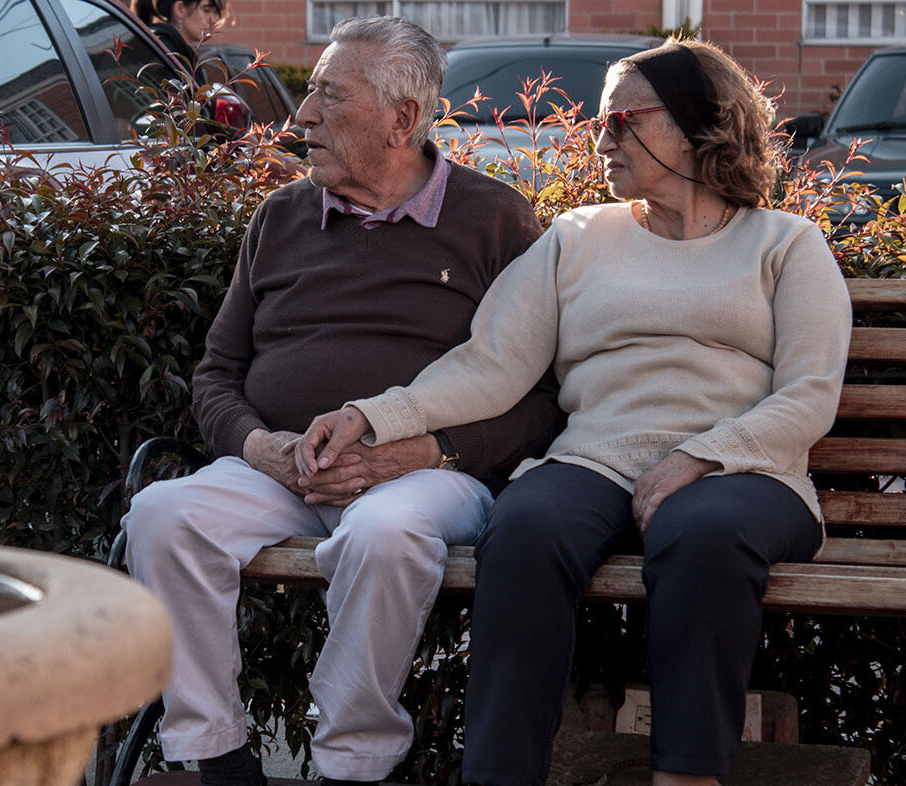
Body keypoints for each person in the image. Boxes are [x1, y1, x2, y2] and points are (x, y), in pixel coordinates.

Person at [294, 38, 852, 786]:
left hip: (742, 470)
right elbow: (490, 364)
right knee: (523, 528)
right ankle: (498, 774)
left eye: (624, 120)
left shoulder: (784, 244)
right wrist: (374, 414)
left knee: (704, 534)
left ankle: (685, 776)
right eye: (598, 121)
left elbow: (808, 392)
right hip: (595, 461)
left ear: (694, 124)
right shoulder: (578, 239)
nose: (601, 138)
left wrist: (703, 456)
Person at [121, 16, 563, 786]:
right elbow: (217, 373)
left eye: (330, 95)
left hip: (424, 474)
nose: (302, 117)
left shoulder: (493, 220)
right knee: (161, 515)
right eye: (307, 95)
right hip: (280, 468)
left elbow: (540, 397)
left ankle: (353, 764)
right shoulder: (281, 217)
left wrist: (421, 452)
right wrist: (261, 447)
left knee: (385, 533)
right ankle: (212, 755)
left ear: (402, 118)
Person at [132, 0, 225, 80]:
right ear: (179, 9)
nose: (213, 19)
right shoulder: (165, 51)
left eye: (215, 13)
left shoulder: (174, 49)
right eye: (206, 11)